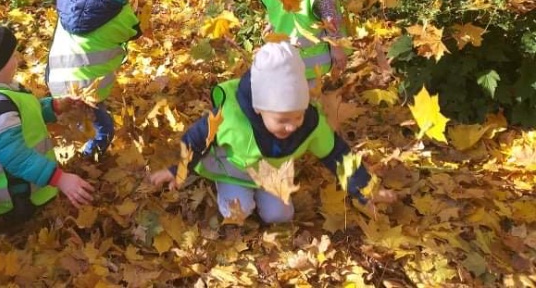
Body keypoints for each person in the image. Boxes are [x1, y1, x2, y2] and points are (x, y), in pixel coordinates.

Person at [150, 42, 394, 224]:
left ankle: (265, 196)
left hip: (272, 174)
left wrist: (366, 188)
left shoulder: (310, 124)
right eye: (282, 120)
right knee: (238, 211)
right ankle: (226, 186)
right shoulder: (230, 116)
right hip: (233, 170)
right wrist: (178, 170)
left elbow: (337, 153)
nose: (292, 126)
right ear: (259, 109)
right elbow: (196, 138)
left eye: (297, 116)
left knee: (280, 216)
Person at [0, 22, 94, 230]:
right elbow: (15, 155)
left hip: (28, 183)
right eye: (12, 56)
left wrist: (55, 106)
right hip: (13, 198)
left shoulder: (0, 89)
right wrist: (60, 179)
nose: (18, 58)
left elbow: (22, 114)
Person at [45, 0, 141, 157]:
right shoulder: (121, 11)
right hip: (87, 91)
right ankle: (86, 161)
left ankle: (69, 141)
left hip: (56, 78)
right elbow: (135, 31)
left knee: (74, 120)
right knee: (102, 131)